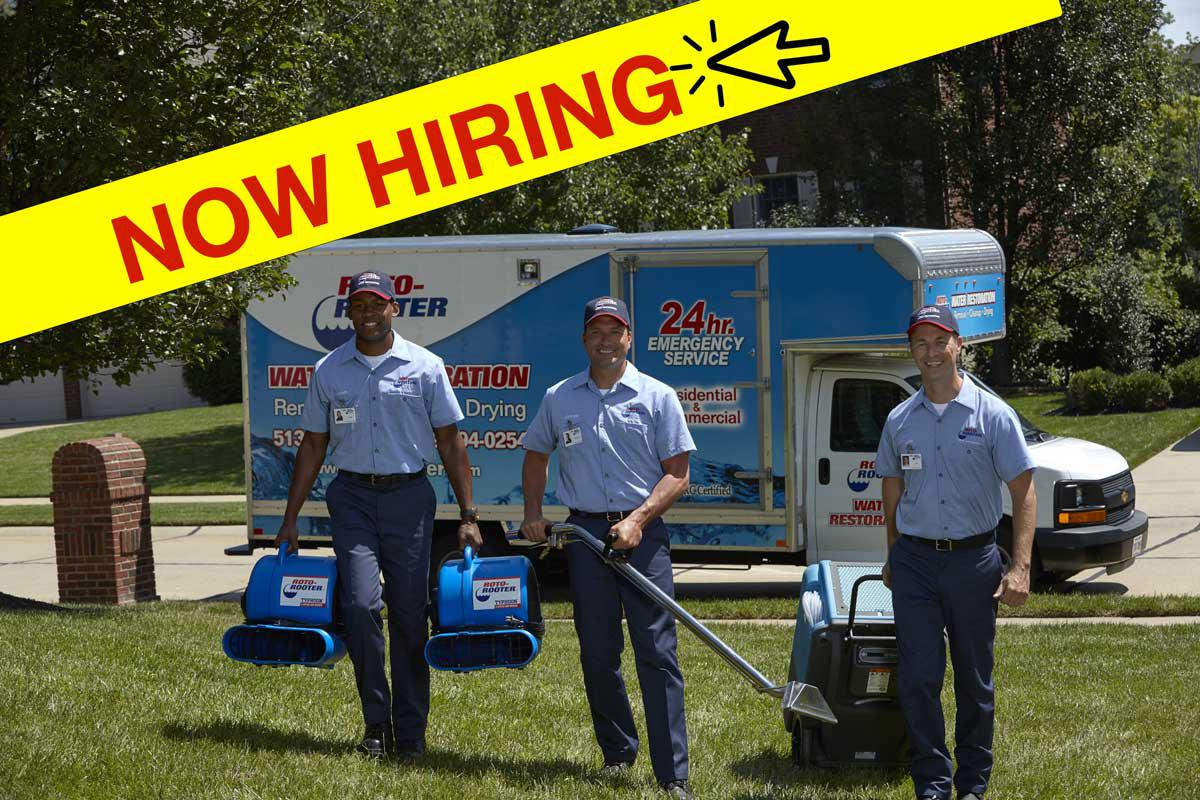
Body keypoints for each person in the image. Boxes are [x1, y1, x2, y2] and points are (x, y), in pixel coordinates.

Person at [275, 270, 481, 760]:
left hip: (409, 498)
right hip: (351, 499)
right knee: (363, 607)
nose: (369, 313)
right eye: (360, 305)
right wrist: (290, 518)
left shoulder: (426, 366)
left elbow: (451, 442)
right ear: (349, 312)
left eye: (378, 304)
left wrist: (468, 514)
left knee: (410, 616)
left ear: (394, 309)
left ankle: (410, 731)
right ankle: (375, 724)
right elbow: (312, 445)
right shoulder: (328, 370)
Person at [520, 296, 696, 800]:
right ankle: (618, 754)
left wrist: (639, 520)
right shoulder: (559, 397)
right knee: (598, 653)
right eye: (595, 331)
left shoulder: (658, 397)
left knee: (657, 654)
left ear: (628, 338)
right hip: (584, 537)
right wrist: (534, 512)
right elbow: (536, 454)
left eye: (613, 331)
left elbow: (677, 473)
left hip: (644, 537)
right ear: (584, 340)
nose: (604, 340)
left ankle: (673, 775)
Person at [876, 304, 1036, 800]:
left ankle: (972, 783)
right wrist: (894, 555)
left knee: (974, 681)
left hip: (974, 562)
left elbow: (1024, 491)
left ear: (959, 346)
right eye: (920, 343)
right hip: (916, 565)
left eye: (939, 341)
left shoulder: (994, 416)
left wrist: (1020, 566)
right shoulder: (900, 419)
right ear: (911, 350)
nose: (930, 353)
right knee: (920, 677)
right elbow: (892, 490)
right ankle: (932, 781)